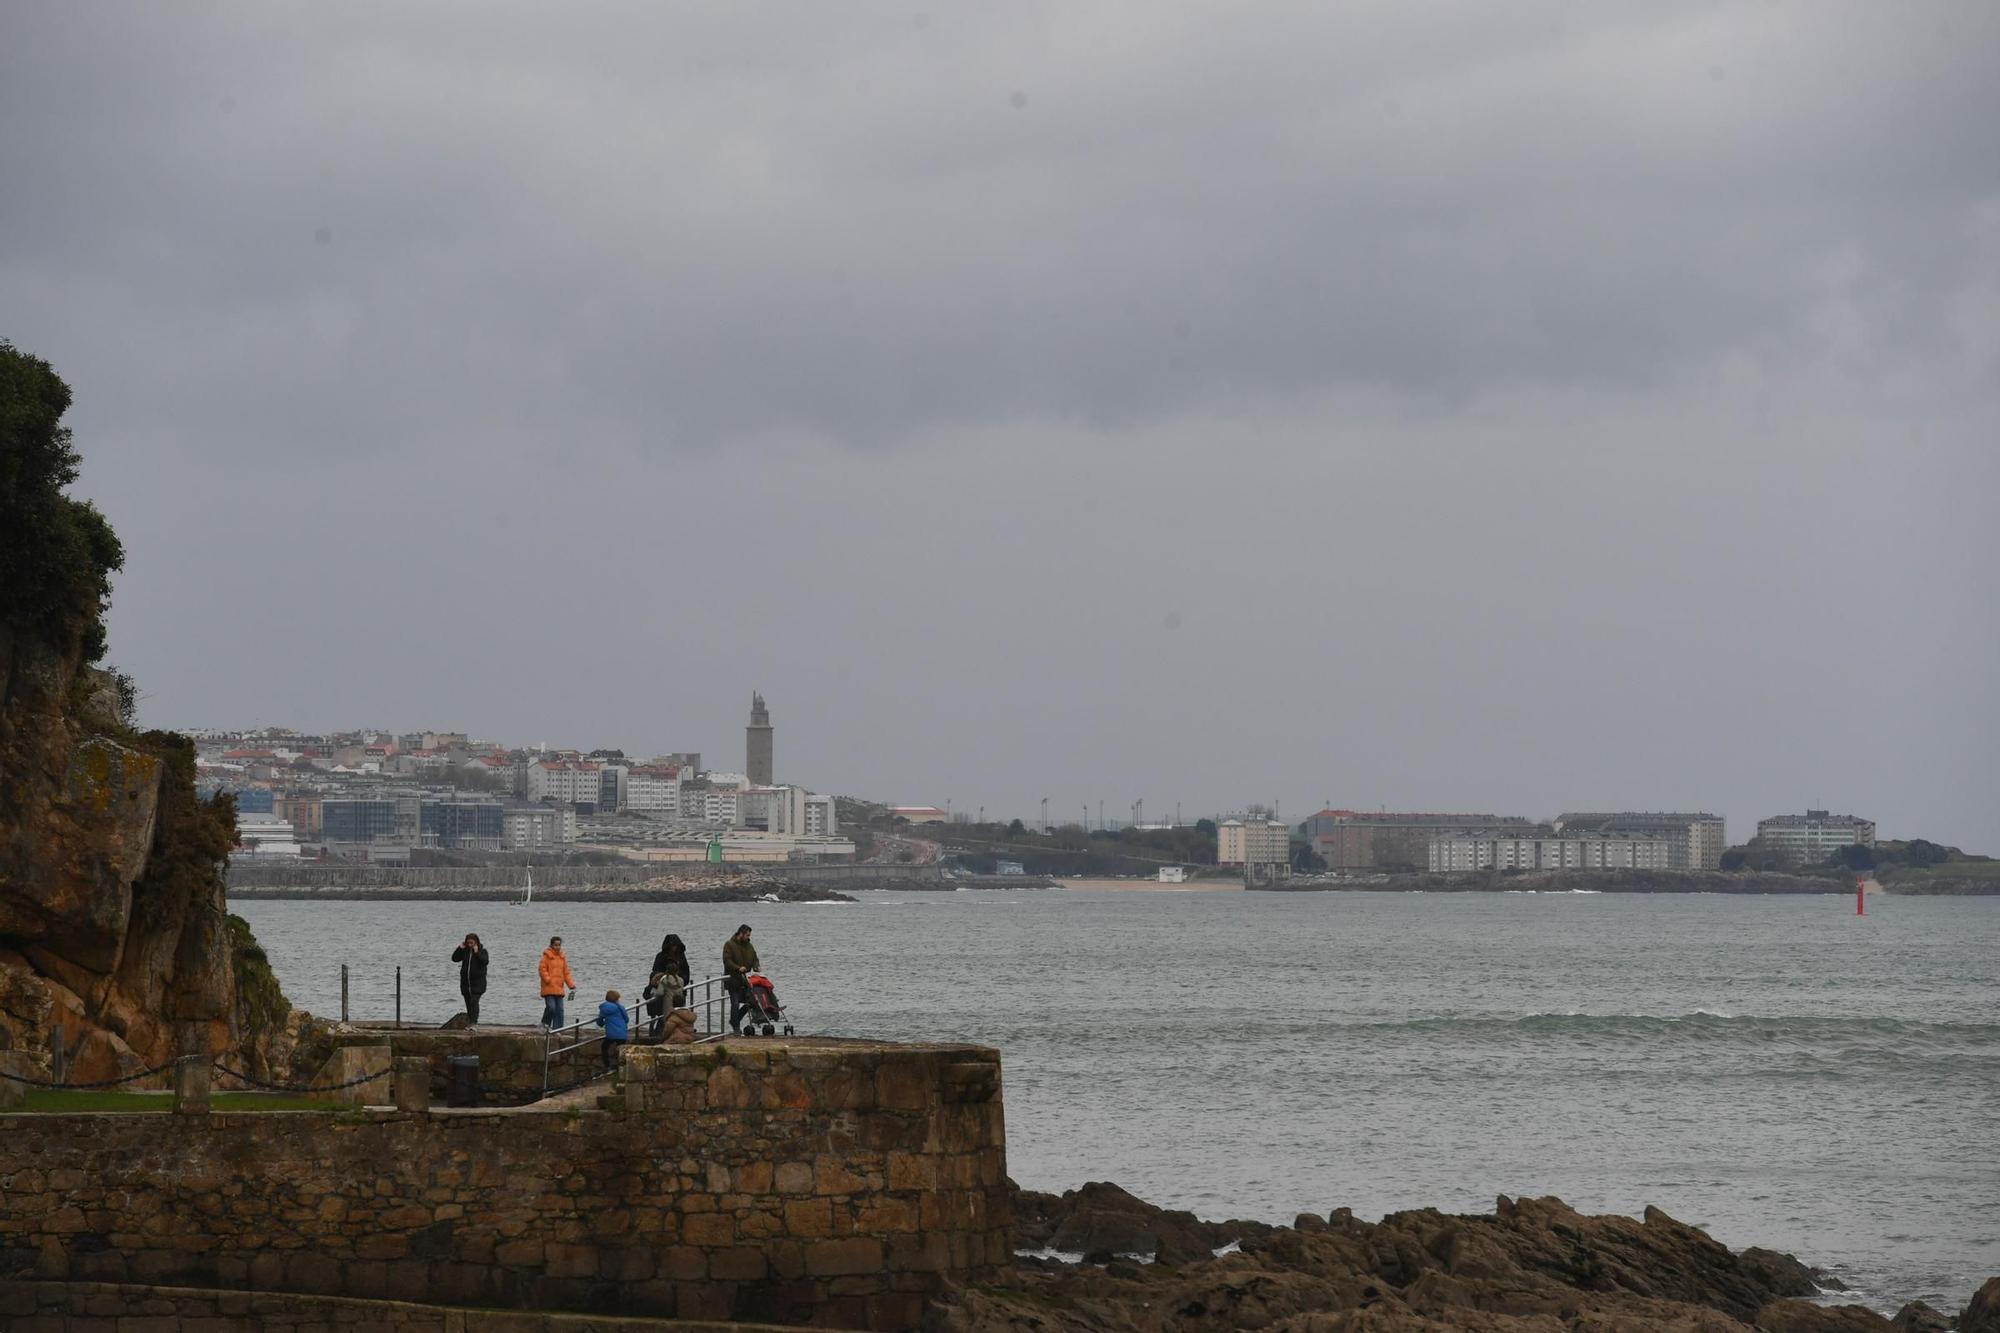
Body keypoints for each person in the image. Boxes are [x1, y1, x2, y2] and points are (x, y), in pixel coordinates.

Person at [722, 923, 758, 1034]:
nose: (749, 937)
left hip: (746, 980)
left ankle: (734, 1020)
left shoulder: (749, 946)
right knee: (735, 1003)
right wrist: (738, 968)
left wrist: (756, 965)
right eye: (747, 935)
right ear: (741, 934)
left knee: (751, 1002)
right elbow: (727, 961)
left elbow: (755, 957)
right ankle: (736, 1027)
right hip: (733, 980)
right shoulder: (729, 944)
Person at [538, 936, 577, 1030]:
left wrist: (571, 985)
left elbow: (566, 973)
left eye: (559, 945)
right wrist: (548, 980)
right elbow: (542, 970)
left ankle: (558, 1029)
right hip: (548, 987)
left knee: (560, 1010)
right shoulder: (546, 957)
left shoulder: (562, 958)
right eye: (555, 945)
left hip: (559, 988)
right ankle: (544, 1023)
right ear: (551, 945)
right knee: (551, 1008)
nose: (558, 947)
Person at [450, 933, 489, 1024]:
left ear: (476, 942)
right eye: (468, 943)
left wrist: (477, 952)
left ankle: (474, 1023)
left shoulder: (483, 951)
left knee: (474, 1002)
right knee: (468, 1003)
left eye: (472, 943)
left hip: (478, 984)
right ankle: (470, 1021)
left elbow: (485, 961)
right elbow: (454, 959)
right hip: (466, 983)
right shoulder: (465, 952)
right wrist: (460, 948)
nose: (470, 945)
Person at [596, 988, 629, 1069]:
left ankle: (607, 1065)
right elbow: (626, 1019)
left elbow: (599, 1020)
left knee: (604, 1047)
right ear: (616, 999)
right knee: (621, 1050)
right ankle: (620, 1067)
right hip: (622, 1033)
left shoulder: (604, 1008)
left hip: (610, 1034)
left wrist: (603, 1024)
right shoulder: (620, 1007)